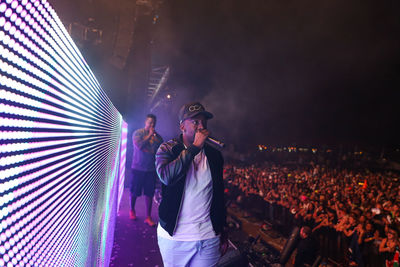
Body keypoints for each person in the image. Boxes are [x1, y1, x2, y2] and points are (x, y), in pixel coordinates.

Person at [155, 102, 228, 267]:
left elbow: (218, 194)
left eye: (204, 122)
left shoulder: (215, 156)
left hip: (208, 237)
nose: (201, 126)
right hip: (175, 237)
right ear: (182, 126)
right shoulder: (167, 149)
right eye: (195, 122)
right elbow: (167, 177)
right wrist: (194, 148)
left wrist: (223, 228)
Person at [130, 114, 163, 226]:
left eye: (153, 123)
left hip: (150, 169)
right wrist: (149, 135)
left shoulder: (158, 138)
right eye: (150, 122)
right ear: (145, 122)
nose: (152, 125)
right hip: (138, 167)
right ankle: (132, 210)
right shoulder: (138, 133)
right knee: (135, 191)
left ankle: (148, 216)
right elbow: (139, 145)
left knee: (149, 193)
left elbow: (159, 152)